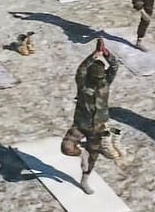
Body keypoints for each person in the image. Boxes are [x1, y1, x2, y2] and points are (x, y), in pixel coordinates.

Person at [60, 38, 121, 195]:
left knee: (93, 158)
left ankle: (84, 180)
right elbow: (81, 69)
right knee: (66, 148)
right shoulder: (82, 83)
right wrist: (93, 55)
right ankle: (82, 153)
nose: (99, 81)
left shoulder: (106, 82)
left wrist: (106, 53)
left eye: (101, 78)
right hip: (80, 124)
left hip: (98, 127)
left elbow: (115, 66)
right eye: (96, 78)